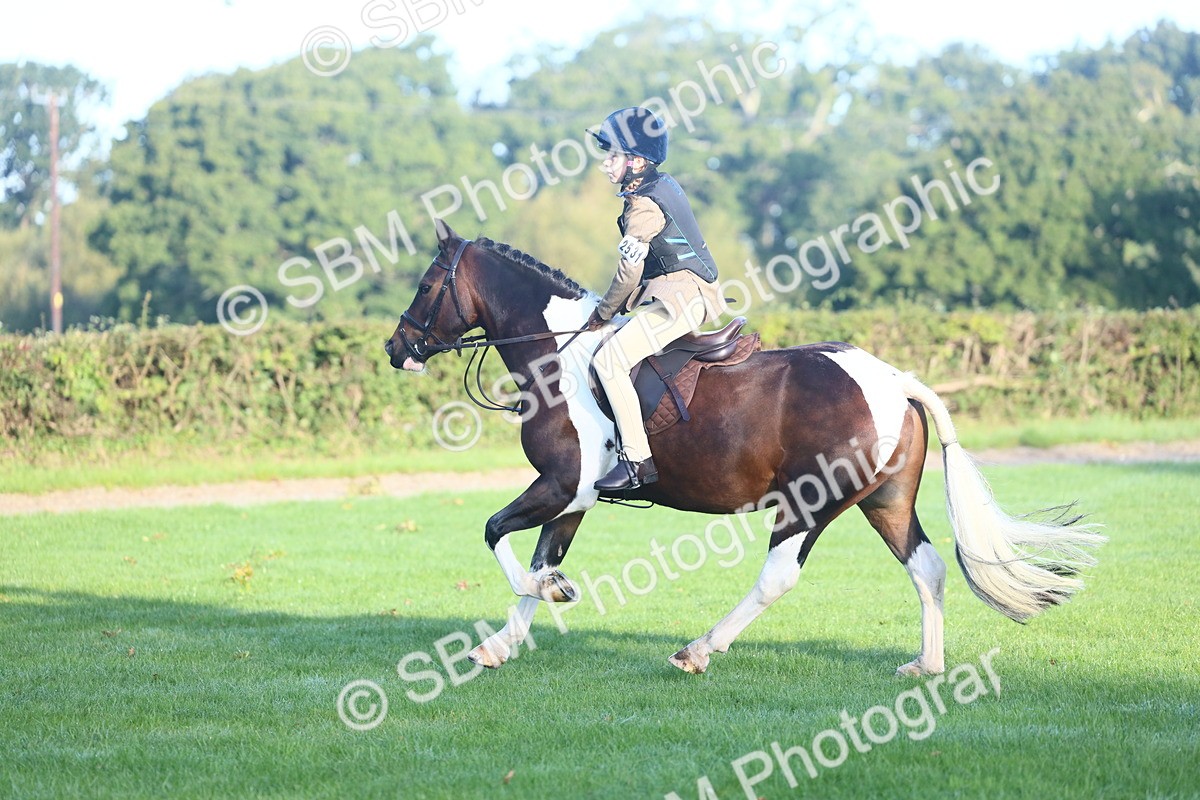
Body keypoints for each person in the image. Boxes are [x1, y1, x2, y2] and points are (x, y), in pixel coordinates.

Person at [585, 107, 727, 491]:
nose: (604, 164)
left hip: (681, 298)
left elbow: (629, 272)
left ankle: (635, 461)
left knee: (609, 361)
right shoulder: (660, 185)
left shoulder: (643, 205)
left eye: (611, 156)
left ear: (636, 162)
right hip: (683, 293)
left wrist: (602, 313)